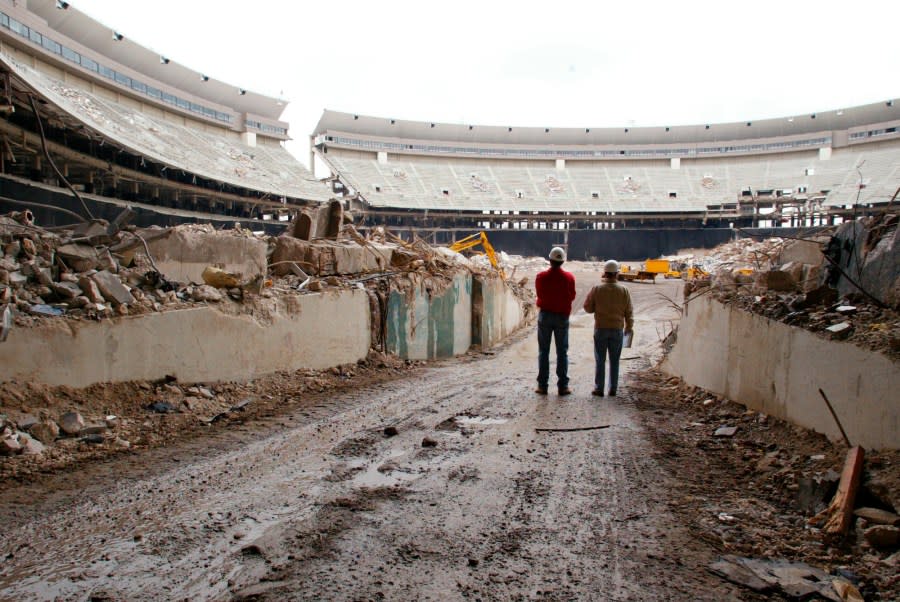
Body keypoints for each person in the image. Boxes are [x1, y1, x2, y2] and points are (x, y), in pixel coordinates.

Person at [583, 259, 634, 397]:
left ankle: (599, 388)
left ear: (605, 273)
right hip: (617, 329)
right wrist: (629, 327)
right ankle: (613, 389)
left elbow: (587, 308)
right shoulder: (624, 290)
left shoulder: (597, 289)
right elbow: (629, 312)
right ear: (617, 274)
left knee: (600, 359)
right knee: (614, 360)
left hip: (601, 328)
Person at [535, 246, 576, 395]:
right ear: (563, 261)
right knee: (562, 352)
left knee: (543, 352)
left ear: (550, 260)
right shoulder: (569, 278)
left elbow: (539, 293)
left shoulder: (541, 277)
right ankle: (563, 386)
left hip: (545, 316)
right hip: (562, 317)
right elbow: (572, 296)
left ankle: (542, 386)